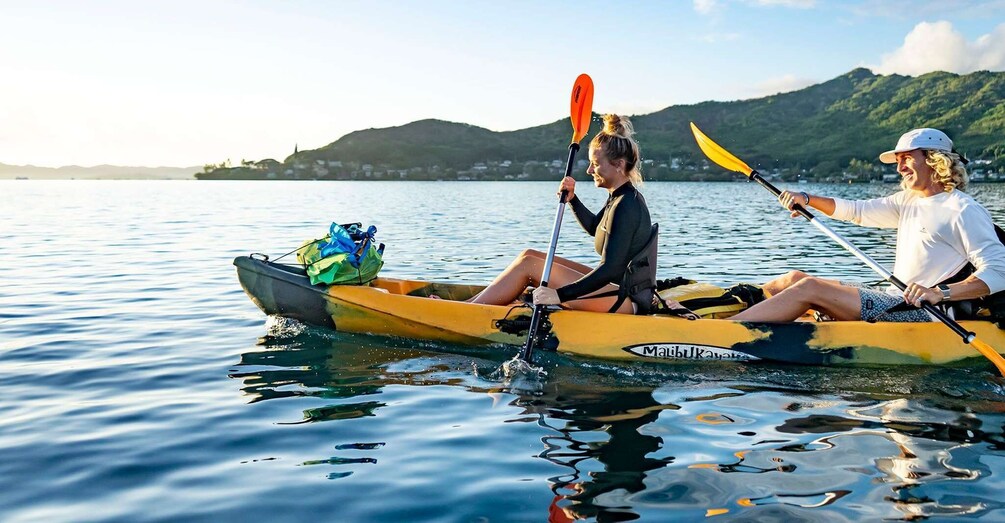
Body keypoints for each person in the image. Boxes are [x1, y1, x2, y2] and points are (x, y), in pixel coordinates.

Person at [731, 127, 1005, 323]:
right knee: (795, 279)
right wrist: (806, 198)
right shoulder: (908, 200)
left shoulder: (963, 209)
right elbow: (857, 211)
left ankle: (722, 334)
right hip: (895, 296)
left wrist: (939, 293)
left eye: (907, 158)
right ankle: (723, 311)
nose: (900, 168)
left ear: (935, 160)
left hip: (929, 313)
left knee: (810, 288)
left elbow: (999, 271)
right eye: (898, 161)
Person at [469, 114, 656, 314]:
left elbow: (609, 269)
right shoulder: (619, 196)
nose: (589, 170)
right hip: (618, 288)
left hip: (627, 300)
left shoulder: (627, 205)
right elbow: (596, 228)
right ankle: (468, 304)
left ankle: (467, 312)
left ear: (618, 165)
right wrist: (572, 200)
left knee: (529, 265)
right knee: (529, 255)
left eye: (595, 163)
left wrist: (559, 295)